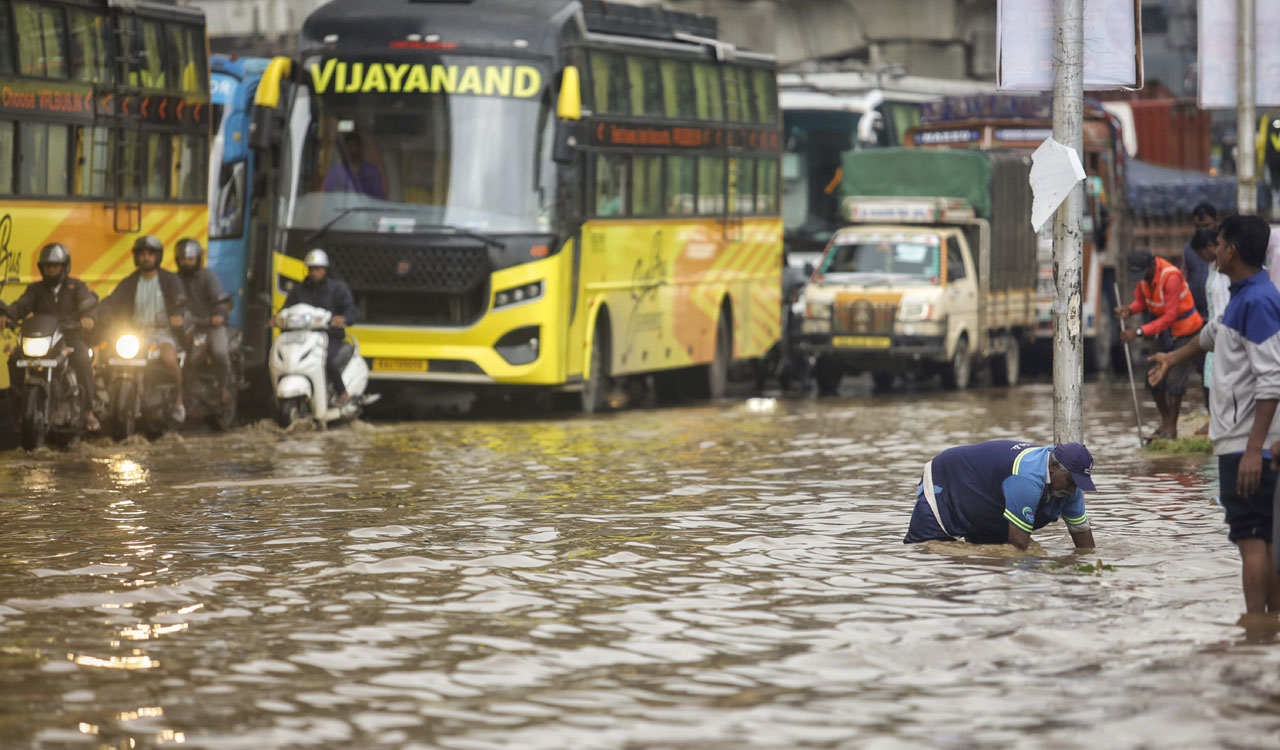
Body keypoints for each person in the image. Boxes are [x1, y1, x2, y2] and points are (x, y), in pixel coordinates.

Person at [1150, 215, 1280, 615]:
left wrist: (1254, 450)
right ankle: (1265, 630)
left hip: (1247, 445)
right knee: (1260, 537)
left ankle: (1255, 628)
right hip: (1240, 443)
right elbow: (1210, 336)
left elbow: (1271, 381)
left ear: (1232, 251)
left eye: (1220, 244)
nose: (1214, 251)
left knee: (1252, 538)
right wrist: (1171, 358)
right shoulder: (1243, 295)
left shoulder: (1257, 301)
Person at [904, 440, 1098, 551]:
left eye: (1079, 484)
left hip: (988, 498)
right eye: (1072, 482)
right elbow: (1018, 544)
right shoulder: (1026, 479)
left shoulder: (1071, 490)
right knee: (923, 551)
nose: (1074, 489)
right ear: (1054, 467)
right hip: (947, 479)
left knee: (984, 563)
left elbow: (1083, 538)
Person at [0, 243, 101, 431]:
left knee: (82, 359)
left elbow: (88, 302)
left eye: (55, 266)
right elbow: (20, 305)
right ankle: (20, 410)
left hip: (69, 336)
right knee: (15, 359)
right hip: (41, 339)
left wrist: (88, 317)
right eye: (47, 266)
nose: (51, 270)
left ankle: (88, 412)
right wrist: (7, 315)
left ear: (64, 267)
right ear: (42, 268)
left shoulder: (76, 286)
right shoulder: (35, 289)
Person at [99, 235, 188, 423]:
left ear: (158, 257)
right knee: (111, 360)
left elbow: (180, 301)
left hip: (162, 333)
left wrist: (178, 315)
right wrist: (99, 312)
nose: (146, 257)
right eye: (142, 254)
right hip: (135, 335)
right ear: (136, 257)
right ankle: (108, 402)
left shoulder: (170, 280)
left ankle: (179, 403)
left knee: (169, 359)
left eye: (150, 254)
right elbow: (112, 301)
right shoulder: (129, 281)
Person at [1116, 249, 1204, 439]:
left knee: (1174, 381)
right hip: (1163, 332)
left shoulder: (1170, 276)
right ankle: (1165, 422)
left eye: (1142, 274)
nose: (1140, 278)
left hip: (1185, 332)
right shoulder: (1143, 279)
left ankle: (1171, 428)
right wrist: (1129, 310)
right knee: (1153, 378)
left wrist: (1138, 332)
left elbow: (1170, 315)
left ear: (1151, 267)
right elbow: (1141, 302)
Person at [277, 249, 357, 408]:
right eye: (311, 269)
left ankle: (342, 393)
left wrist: (343, 319)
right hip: (301, 338)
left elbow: (351, 310)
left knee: (326, 361)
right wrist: (278, 318)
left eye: (317, 269)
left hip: (328, 337)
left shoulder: (337, 289)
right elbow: (285, 310)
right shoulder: (298, 290)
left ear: (325, 270)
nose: (314, 272)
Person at [174, 238, 233, 403]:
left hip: (209, 326)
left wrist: (218, 315)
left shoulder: (208, 277)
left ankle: (224, 387)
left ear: (198, 259)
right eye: (183, 259)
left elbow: (220, 300)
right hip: (183, 328)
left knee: (219, 352)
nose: (186, 263)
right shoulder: (174, 279)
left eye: (190, 259)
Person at [1191, 228, 1230, 436]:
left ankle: (1218, 420)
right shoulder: (1211, 267)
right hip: (1211, 327)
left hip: (1220, 329)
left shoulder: (1224, 272)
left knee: (1219, 377)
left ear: (1210, 247)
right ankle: (1213, 418)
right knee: (1209, 378)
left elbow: (1224, 305)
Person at [323, 131, 385, 199]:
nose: (352, 149)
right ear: (345, 148)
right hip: (342, 208)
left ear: (360, 148)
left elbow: (379, 196)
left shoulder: (371, 170)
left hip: (367, 208)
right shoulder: (337, 171)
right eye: (349, 146)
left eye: (355, 145)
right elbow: (326, 193)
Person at [1182, 203, 1217, 322]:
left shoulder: (1223, 250)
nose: (1203, 230)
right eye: (1198, 227)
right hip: (1194, 314)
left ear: (1215, 222)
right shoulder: (1189, 249)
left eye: (1207, 226)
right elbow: (1184, 276)